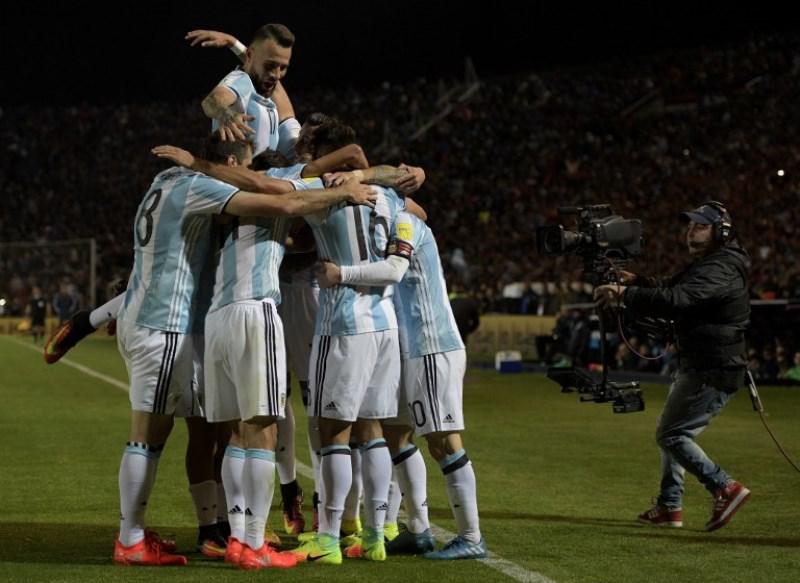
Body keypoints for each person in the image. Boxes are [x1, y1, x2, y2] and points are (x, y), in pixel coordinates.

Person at [112, 135, 375, 567]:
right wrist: (348, 189)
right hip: (194, 318)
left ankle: (229, 535)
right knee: (258, 427)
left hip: (206, 318)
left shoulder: (169, 180)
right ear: (232, 163)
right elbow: (285, 201)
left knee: (228, 433)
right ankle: (243, 543)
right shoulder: (219, 185)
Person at [317, 205, 487, 560]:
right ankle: (419, 529)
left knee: (443, 441)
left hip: (431, 345)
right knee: (397, 433)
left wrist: (340, 272)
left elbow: (393, 271)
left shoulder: (406, 223)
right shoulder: (386, 226)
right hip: (406, 348)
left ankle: (471, 536)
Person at [595, 200, 751, 532]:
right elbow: (672, 287)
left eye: (701, 226)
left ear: (721, 231)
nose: (691, 230)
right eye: (691, 225)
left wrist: (626, 294)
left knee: (672, 433)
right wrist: (638, 281)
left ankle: (725, 487)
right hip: (702, 362)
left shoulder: (721, 267)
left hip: (713, 366)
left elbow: (679, 299)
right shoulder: (712, 262)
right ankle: (670, 506)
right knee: (673, 433)